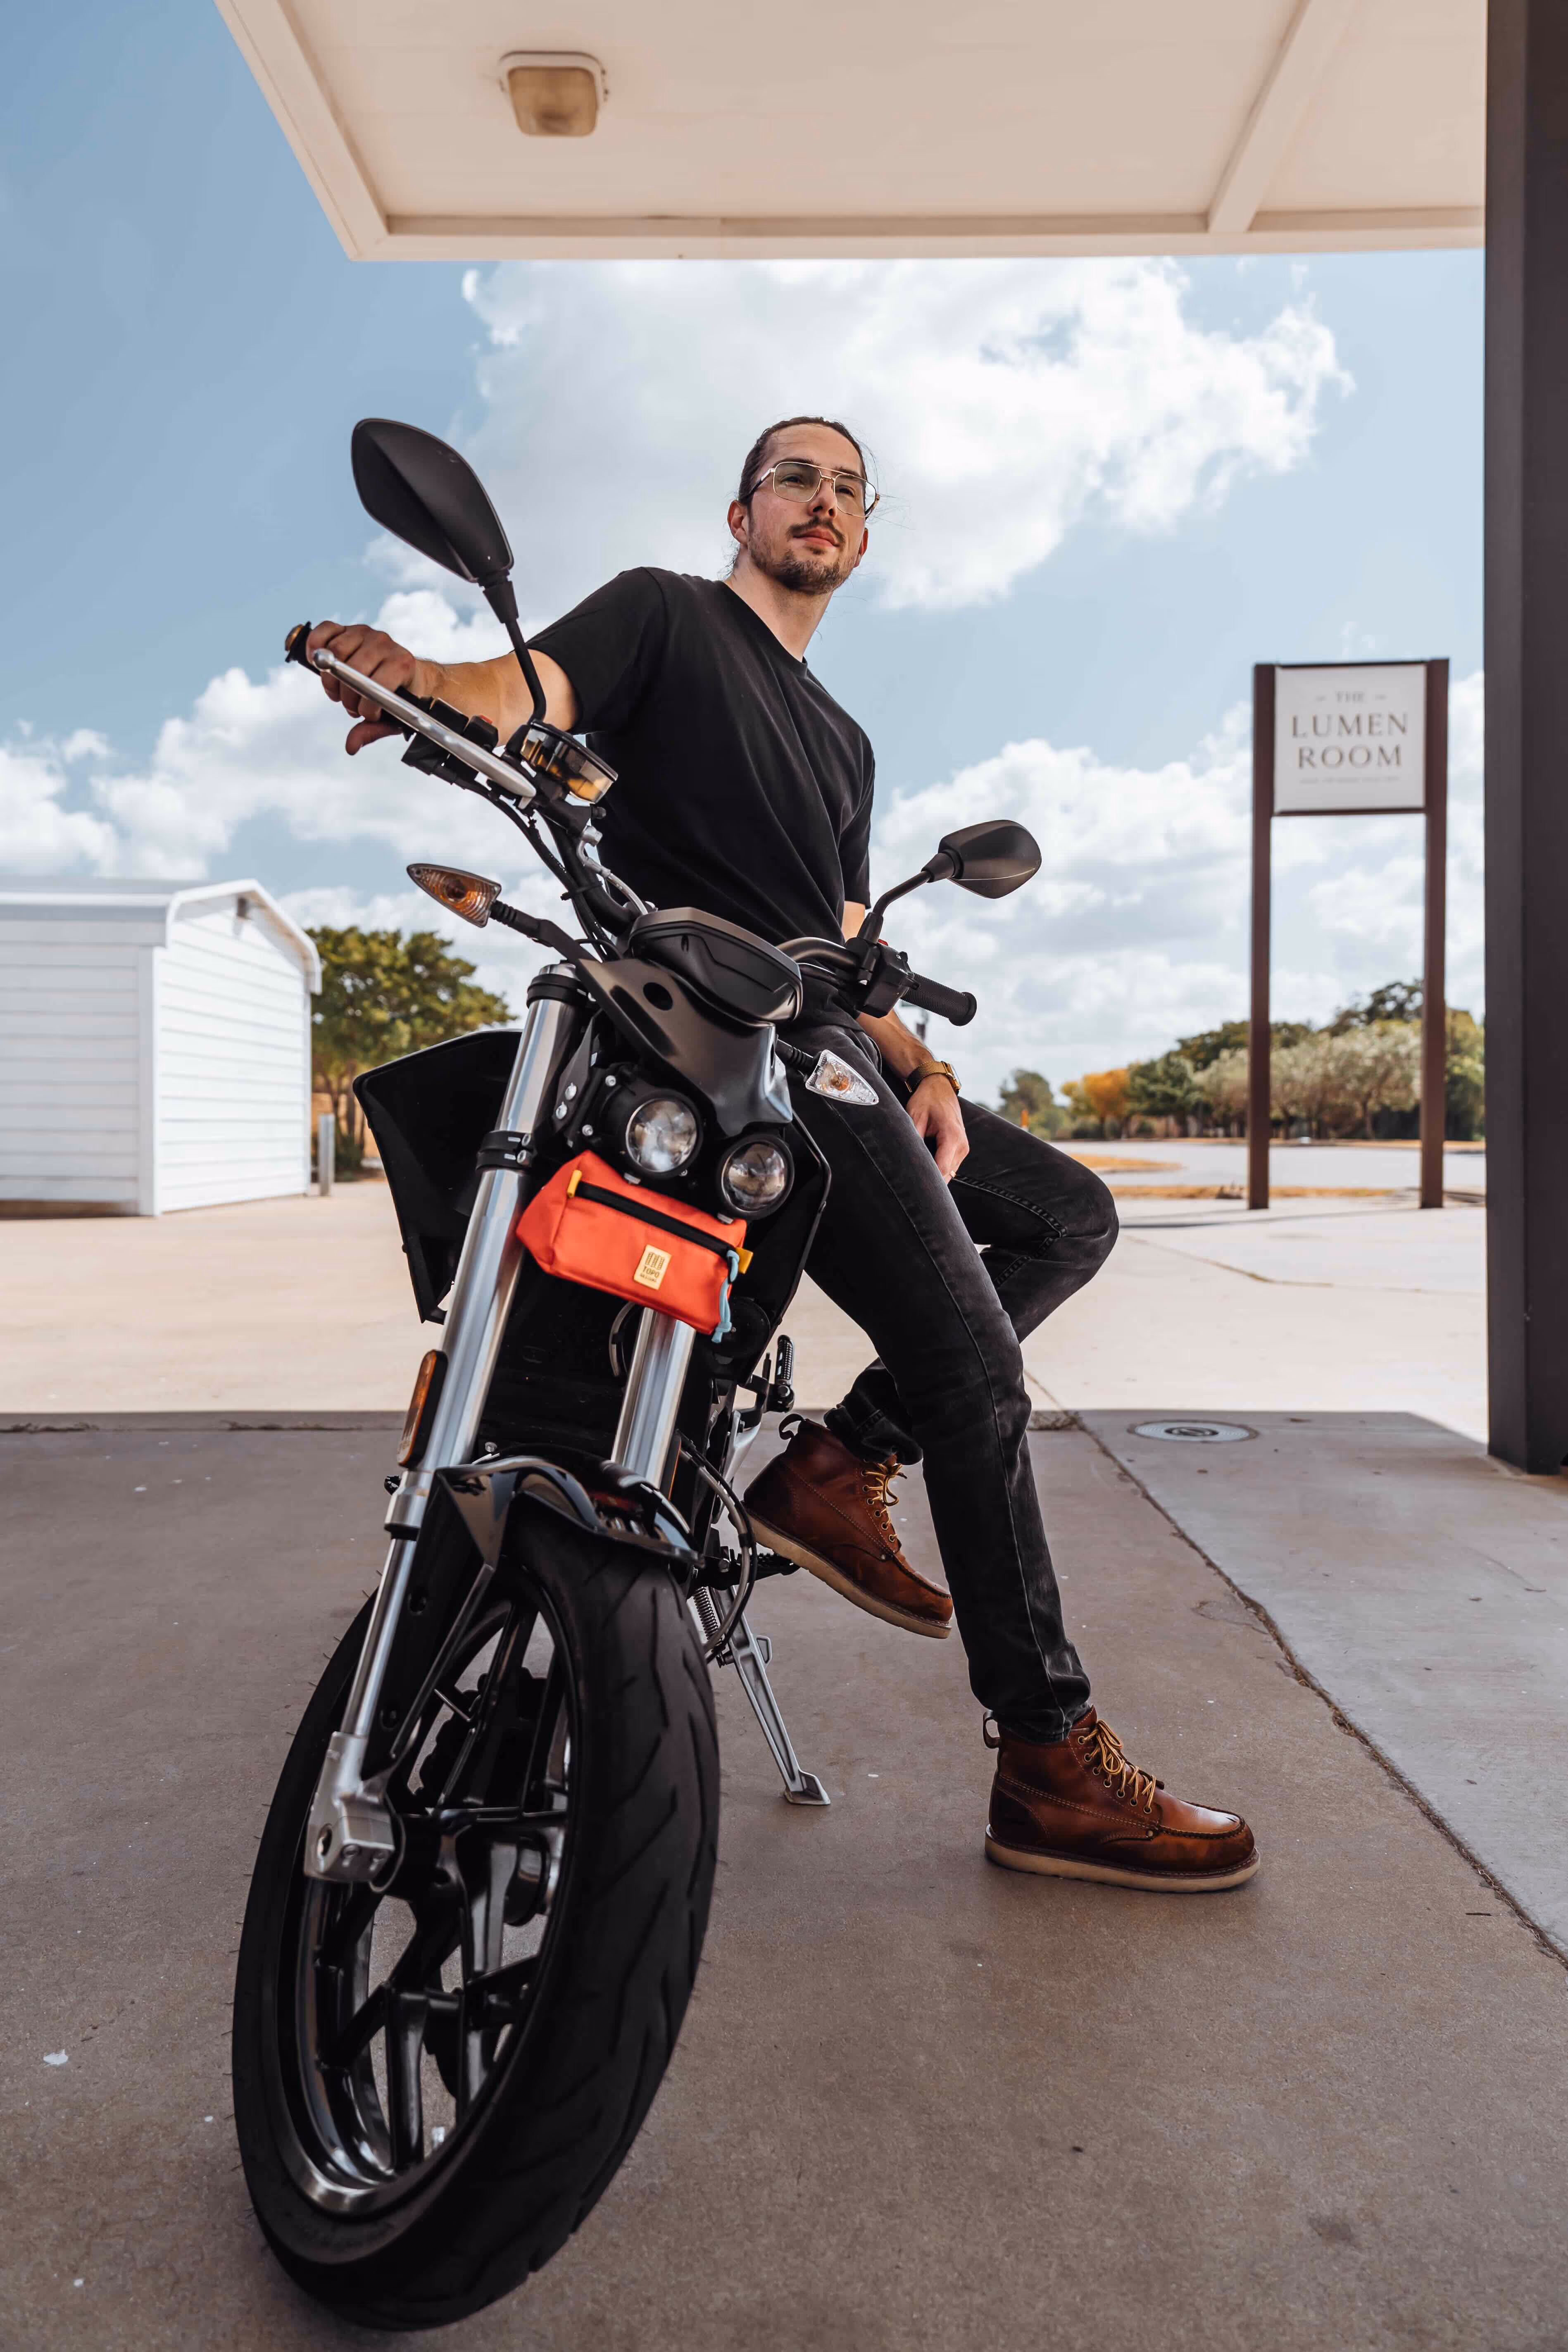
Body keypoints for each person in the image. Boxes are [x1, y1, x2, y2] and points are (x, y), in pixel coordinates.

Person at [307, 415, 1257, 1893]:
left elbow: (847, 935)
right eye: (796, 477)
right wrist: (425, 681)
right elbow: (520, 691)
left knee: (1066, 1214)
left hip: (831, 1042)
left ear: (865, 537)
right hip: (718, 1037)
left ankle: (838, 1464)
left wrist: (926, 1064)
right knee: (978, 1368)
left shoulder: (844, 740)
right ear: (742, 508)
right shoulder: (663, 617)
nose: (822, 500)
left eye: (848, 488)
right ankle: (1047, 1753)